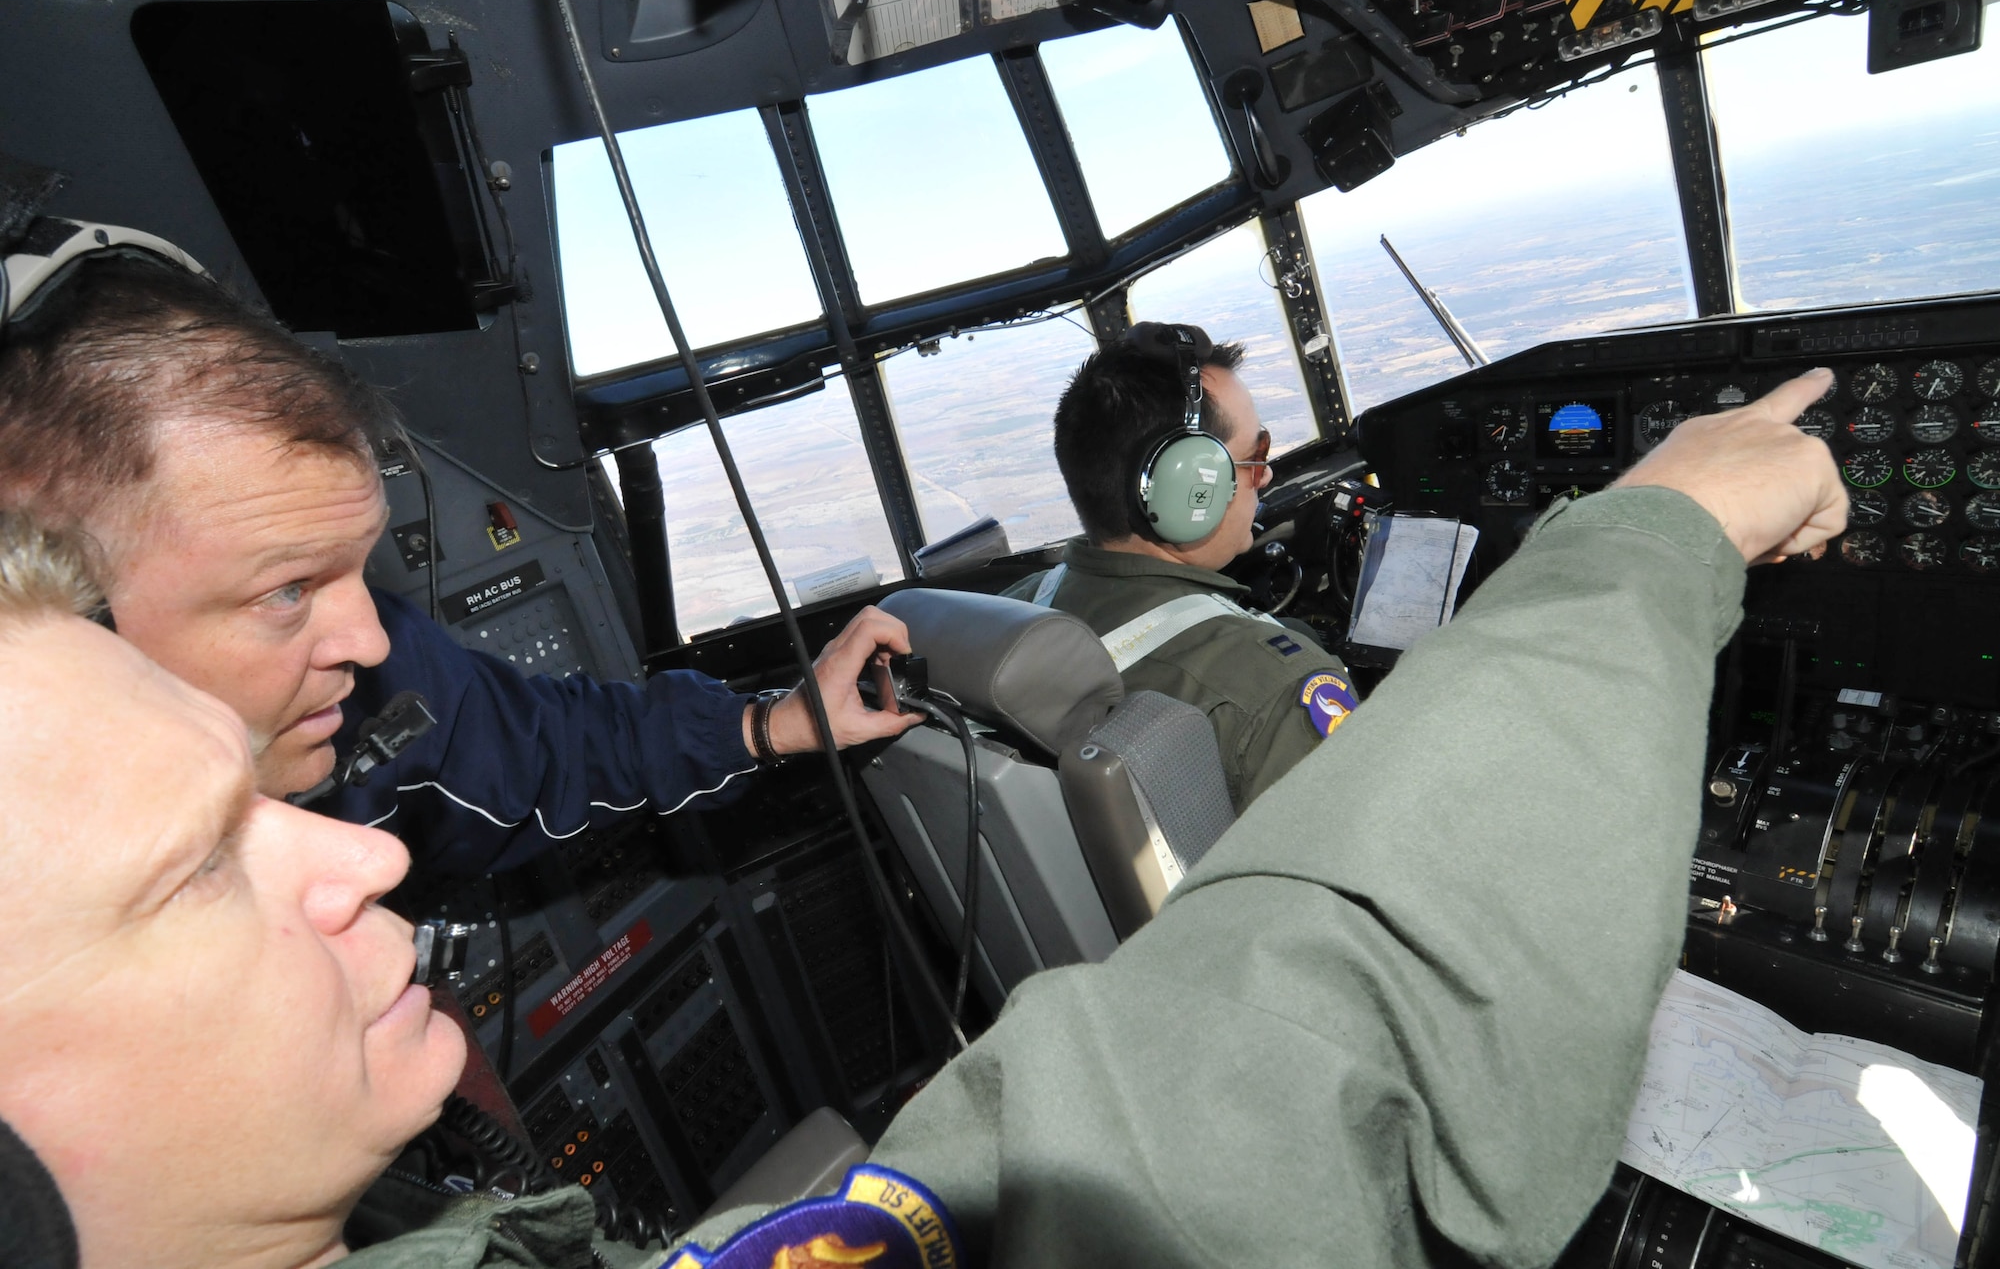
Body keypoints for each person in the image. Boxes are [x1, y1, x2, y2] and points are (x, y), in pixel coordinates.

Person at [0, 368, 1844, 1268]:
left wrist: (774, 713)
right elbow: (1318, 1017)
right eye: (195, 861)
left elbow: (541, 739)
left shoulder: (1034, 616)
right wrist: (1649, 547)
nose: (371, 850)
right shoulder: (1243, 663)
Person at [0, 244, 921, 876]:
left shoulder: (363, 670)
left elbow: (543, 745)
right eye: (287, 590)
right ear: (61, 620)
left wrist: (774, 725)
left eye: (359, 568)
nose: (367, 640)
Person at [1004, 323, 1357, 813]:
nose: (1269, 474)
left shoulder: (1013, 608)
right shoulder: (1276, 690)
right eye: (1255, 456)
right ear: (1188, 489)